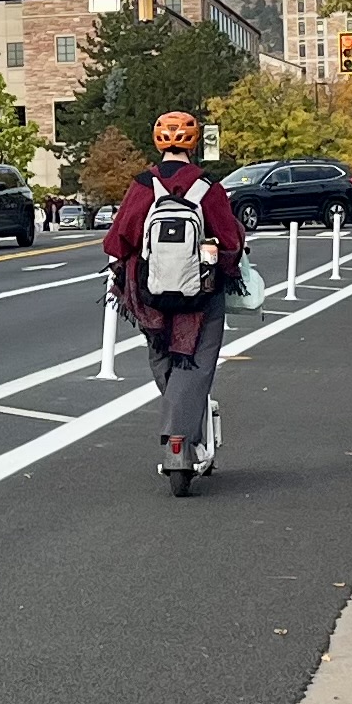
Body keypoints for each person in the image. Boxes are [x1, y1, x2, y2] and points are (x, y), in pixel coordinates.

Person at [103, 110, 246, 493]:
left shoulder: (142, 186)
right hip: (200, 293)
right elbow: (230, 241)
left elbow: (117, 241)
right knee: (197, 362)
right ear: (193, 143)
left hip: (150, 295)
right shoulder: (208, 188)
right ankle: (180, 441)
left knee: (162, 356)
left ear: (157, 142)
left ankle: (180, 432)